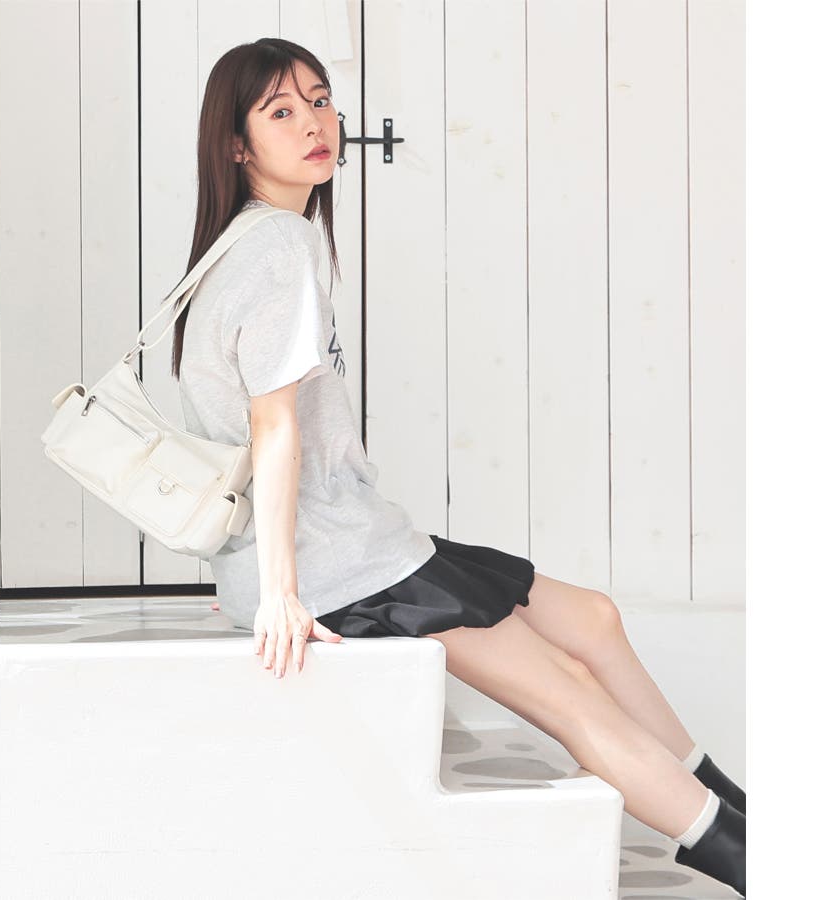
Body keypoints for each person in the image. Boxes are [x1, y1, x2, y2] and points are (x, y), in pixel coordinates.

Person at [171, 37, 745, 898]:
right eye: (281, 112)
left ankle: (734, 805)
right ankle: (748, 854)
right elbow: (271, 427)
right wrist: (281, 593)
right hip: (339, 567)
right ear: (236, 145)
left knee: (591, 620)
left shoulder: (249, 241)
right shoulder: (278, 250)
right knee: (569, 692)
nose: (315, 124)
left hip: (353, 539)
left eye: (320, 101)